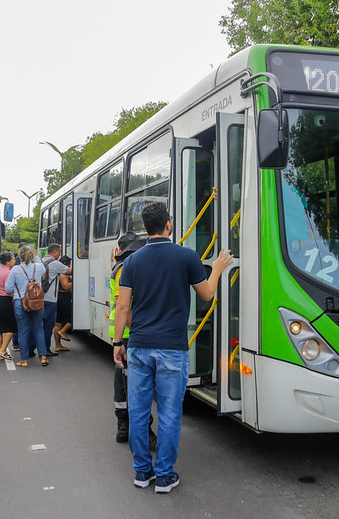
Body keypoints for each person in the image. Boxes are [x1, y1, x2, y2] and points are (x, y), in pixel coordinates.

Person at [112, 202, 233, 493]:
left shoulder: (132, 262)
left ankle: (142, 472)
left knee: (139, 413)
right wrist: (216, 268)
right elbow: (206, 294)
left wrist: (117, 342)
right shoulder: (187, 257)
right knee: (168, 413)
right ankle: (164, 475)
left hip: (139, 347)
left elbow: (123, 306)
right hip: (173, 349)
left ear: (144, 228)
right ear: (169, 225)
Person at [108, 231, 154, 445]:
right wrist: (134, 333)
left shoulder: (119, 267)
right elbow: (123, 307)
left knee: (123, 383)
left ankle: (123, 426)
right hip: (129, 335)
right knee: (137, 386)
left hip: (122, 336)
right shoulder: (126, 269)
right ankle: (143, 430)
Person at [5, 245, 48, 367]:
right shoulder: (39, 267)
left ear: (20, 256)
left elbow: (8, 289)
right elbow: (43, 270)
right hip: (37, 301)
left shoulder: (15, 269)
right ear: (32, 254)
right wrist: (36, 256)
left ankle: (24, 360)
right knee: (38, 329)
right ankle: (43, 357)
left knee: (23, 331)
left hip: (20, 301)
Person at [41, 243, 71, 357]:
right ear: (54, 252)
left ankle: (34, 348)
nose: (59, 254)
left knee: (39, 326)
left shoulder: (41, 261)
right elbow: (69, 271)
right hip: (50, 300)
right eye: (59, 252)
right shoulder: (55, 263)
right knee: (48, 326)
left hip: (39, 298)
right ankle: (45, 349)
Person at [0, 251, 16, 360]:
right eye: (13, 259)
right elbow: (8, 289)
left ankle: (1, 352)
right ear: (8, 261)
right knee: (11, 327)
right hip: (5, 301)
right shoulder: (9, 272)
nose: (15, 261)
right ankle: (2, 350)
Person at [53, 255, 72, 351]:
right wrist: (75, 281)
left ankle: (58, 346)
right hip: (64, 297)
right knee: (72, 318)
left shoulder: (59, 272)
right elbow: (66, 286)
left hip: (59, 297)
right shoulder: (63, 273)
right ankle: (63, 332)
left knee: (58, 323)